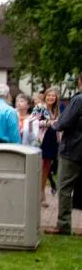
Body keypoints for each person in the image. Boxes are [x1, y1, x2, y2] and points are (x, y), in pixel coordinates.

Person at [48, 73, 82, 236]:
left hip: (73, 149)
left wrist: (54, 124)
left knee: (65, 187)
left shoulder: (78, 100)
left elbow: (64, 123)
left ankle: (63, 225)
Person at [33, 87, 61, 205]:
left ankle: (42, 192)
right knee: (39, 167)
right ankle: (36, 194)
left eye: (53, 96)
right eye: (49, 95)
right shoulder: (40, 107)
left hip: (52, 140)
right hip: (41, 141)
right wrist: (47, 123)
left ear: (56, 98)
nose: (51, 97)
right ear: (45, 96)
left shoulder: (56, 110)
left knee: (47, 168)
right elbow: (33, 122)